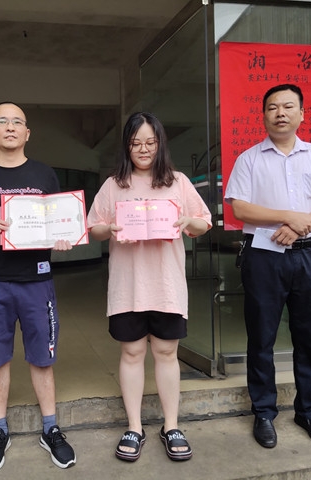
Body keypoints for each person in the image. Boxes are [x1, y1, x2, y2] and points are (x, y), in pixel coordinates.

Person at [224, 84, 311, 449]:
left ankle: (308, 411)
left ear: (301, 114)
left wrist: (300, 226)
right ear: (263, 115)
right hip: (264, 257)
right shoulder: (249, 159)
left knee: (309, 336)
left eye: (288, 106)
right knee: (261, 336)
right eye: (272, 107)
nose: (280, 112)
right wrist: (288, 216)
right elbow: (240, 208)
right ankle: (264, 412)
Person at [87, 112, 212, 462]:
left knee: (167, 353)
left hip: (167, 286)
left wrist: (189, 221)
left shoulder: (178, 182)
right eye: (136, 143)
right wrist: (110, 227)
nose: (143, 149)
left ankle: (171, 426)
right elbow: (93, 228)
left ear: (160, 144)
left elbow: (204, 222)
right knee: (131, 353)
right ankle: (134, 427)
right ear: (127, 146)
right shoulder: (114, 185)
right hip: (127, 287)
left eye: (150, 142)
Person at [0, 102, 76, 473]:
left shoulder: (45, 174)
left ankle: (50, 427)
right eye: (1, 121)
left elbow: (59, 220)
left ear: (27, 133)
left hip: (37, 280)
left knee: (42, 356)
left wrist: (64, 237)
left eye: (17, 122)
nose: (10, 127)